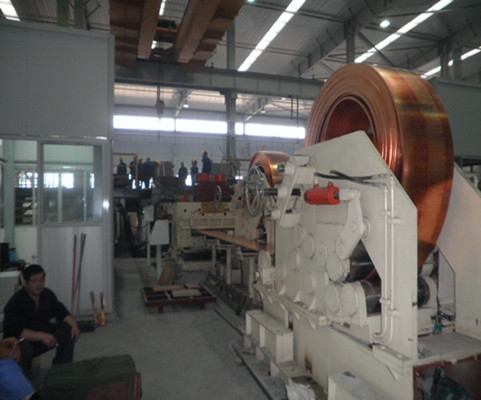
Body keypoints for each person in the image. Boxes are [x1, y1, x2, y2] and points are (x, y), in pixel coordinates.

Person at [3, 264, 80, 376]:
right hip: (18, 343)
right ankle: (23, 379)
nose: (39, 284)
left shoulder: (47, 295)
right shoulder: (15, 302)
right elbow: (16, 330)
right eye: (34, 281)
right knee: (23, 345)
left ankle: (61, 371)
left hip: (42, 338)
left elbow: (61, 312)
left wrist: (74, 325)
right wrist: (42, 336)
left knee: (68, 329)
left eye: (41, 280)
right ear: (25, 283)